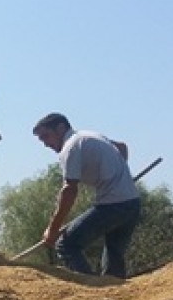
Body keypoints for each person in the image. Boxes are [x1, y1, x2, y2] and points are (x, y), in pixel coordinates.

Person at [33, 112, 141, 278]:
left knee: (66, 245)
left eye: (46, 136)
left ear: (61, 128)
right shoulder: (89, 136)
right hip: (132, 202)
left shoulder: (70, 147)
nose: (46, 144)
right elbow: (121, 147)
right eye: (42, 140)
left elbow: (69, 190)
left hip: (113, 205)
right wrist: (120, 175)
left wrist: (53, 229)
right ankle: (113, 285)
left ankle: (90, 288)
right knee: (113, 258)